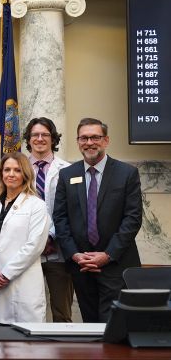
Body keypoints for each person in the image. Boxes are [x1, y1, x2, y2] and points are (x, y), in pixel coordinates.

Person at [54, 117, 142, 323]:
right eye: (84, 138)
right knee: (90, 324)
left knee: (114, 326)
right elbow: (60, 218)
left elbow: (133, 218)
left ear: (106, 140)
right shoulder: (67, 174)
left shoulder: (127, 173)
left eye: (95, 137)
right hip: (81, 265)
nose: (89, 142)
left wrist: (108, 254)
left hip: (116, 264)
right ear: (78, 141)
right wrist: (75, 254)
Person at [0, 152, 49, 325]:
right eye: (7, 170)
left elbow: (34, 246)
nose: (11, 174)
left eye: (17, 170)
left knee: (25, 343)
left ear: (25, 174)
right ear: (1, 173)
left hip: (22, 282)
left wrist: (6, 274)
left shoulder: (36, 205)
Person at [22, 117, 73, 322]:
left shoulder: (68, 170)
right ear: (29, 139)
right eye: (35, 135)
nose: (40, 139)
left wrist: (50, 238)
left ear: (53, 139)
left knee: (61, 312)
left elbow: (71, 211)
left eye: (45, 135)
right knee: (27, 311)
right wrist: (37, 241)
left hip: (58, 250)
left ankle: (63, 353)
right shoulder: (17, 168)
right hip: (26, 249)